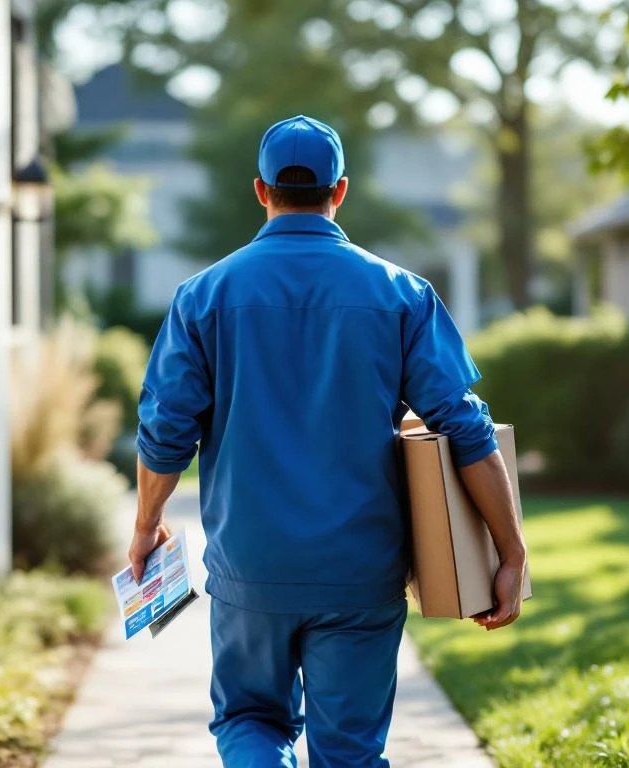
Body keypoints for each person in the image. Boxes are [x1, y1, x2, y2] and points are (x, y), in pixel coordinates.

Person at [129, 115, 527, 767]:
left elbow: (164, 431)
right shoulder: (402, 295)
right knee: (350, 753)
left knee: (250, 721)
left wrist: (147, 525)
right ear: (340, 190)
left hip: (250, 567)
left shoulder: (201, 297)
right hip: (359, 572)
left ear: (261, 191)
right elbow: (464, 427)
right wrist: (511, 553)